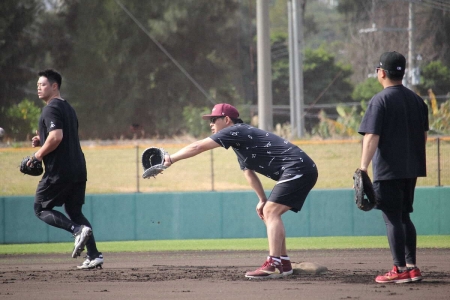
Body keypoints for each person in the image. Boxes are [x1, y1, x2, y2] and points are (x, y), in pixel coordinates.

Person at [163, 103, 318, 278]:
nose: (211, 124)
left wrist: (170, 159)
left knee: (271, 212)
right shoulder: (240, 142)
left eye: (214, 119)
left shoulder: (235, 130)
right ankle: (283, 264)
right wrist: (261, 199)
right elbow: (248, 172)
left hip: (298, 168)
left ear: (227, 119)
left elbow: (198, 146)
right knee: (269, 211)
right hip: (300, 169)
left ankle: (273, 263)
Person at [358, 52, 428, 283]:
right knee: (405, 216)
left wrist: (363, 167)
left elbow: (371, 137)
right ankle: (412, 267)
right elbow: (424, 136)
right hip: (412, 168)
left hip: (388, 170)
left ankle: (399, 270)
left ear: (382, 72)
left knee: (392, 219)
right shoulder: (418, 100)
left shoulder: (380, 100)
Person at [31, 69, 103, 269]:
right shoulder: (68, 108)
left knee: (40, 208)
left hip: (60, 170)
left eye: (43, 84)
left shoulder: (50, 108)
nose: (38, 87)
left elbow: (56, 137)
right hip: (78, 168)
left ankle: (76, 230)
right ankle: (94, 254)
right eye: (37, 85)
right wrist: (41, 140)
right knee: (74, 210)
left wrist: (38, 155)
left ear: (55, 86)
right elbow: (58, 136)